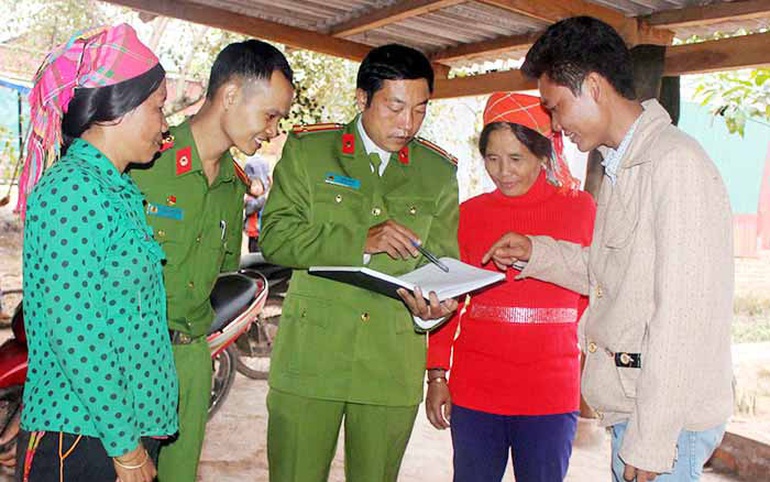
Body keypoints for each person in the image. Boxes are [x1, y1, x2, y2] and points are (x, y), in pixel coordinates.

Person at [484, 16, 734, 482]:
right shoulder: (625, 167)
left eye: (556, 108)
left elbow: (684, 316)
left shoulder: (673, 165)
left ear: (594, 87)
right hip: (636, 408)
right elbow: (611, 274)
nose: (555, 127)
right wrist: (535, 252)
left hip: (662, 420)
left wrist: (653, 440)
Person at [260, 43, 460, 482]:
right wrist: (361, 240)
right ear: (362, 98)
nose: (407, 123)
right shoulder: (311, 152)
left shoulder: (437, 171)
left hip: (390, 363)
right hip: (311, 359)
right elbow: (275, 237)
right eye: (395, 107)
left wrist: (434, 313)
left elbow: (446, 268)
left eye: (420, 110)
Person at [18, 24, 178, 482]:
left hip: (112, 431)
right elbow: (76, 332)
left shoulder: (115, 189)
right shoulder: (72, 191)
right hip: (87, 437)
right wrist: (126, 448)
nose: (165, 125)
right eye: (158, 108)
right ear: (117, 110)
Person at [129, 39, 294, 482]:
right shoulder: (144, 163)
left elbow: (218, 275)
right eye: (271, 115)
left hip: (192, 362)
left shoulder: (233, 186)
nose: (274, 129)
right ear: (232, 94)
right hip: (128, 360)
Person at [425, 92, 595, 482]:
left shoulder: (581, 210)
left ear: (542, 153)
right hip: (476, 389)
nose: (503, 171)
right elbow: (448, 302)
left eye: (516, 158)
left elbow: (594, 292)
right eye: (492, 158)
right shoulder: (469, 215)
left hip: (551, 392)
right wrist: (437, 375)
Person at [243, 153, 271, 252]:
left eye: (258, 184)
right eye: (252, 185)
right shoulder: (249, 199)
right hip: (254, 236)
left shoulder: (269, 196)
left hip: (266, 234)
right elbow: (251, 208)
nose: (255, 188)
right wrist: (264, 199)